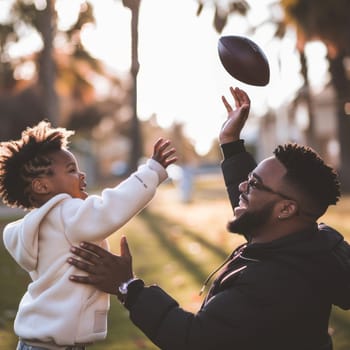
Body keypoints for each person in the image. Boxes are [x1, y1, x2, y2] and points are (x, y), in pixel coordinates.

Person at [68, 87, 350, 350]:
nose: (242, 186)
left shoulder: (270, 283)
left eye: (254, 184)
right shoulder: (311, 244)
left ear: (286, 209)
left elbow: (195, 339)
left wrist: (128, 288)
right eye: (249, 178)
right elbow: (260, 213)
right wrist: (231, 143)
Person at [0, 120, 177, 350]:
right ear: (42, 187)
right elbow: (109, 209)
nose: (81, 174)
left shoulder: (39, 226)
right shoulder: (65, 212)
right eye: (71, 170)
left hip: (35, 340)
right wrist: (152, 171)